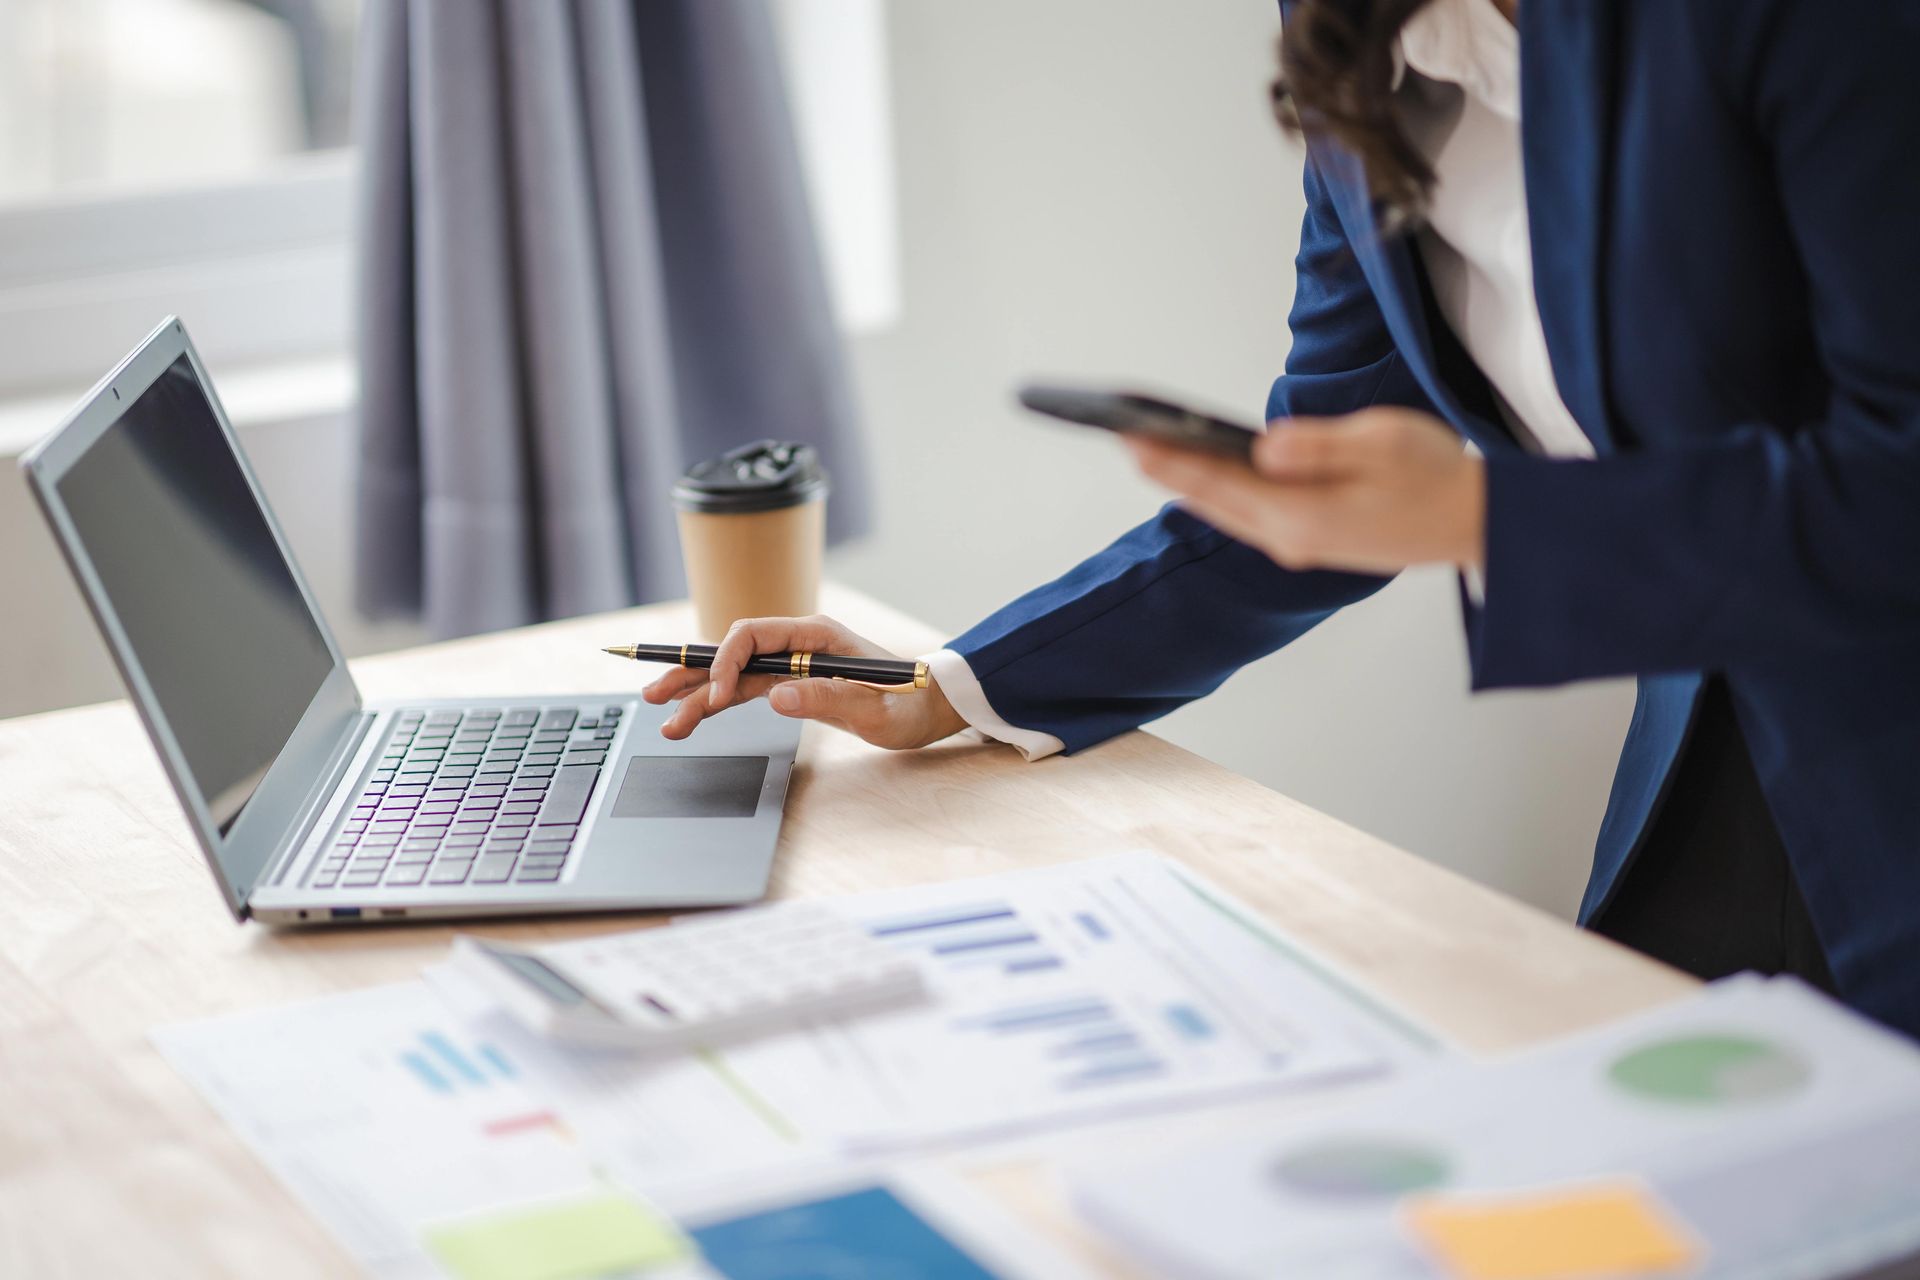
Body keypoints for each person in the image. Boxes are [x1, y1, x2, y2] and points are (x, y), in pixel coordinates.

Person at [643, 0, 1920, 1039]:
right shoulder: (1357, 56)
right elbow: (1300, 490)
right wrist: (947, 685)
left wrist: (1490, 518)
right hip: (1715, 758)